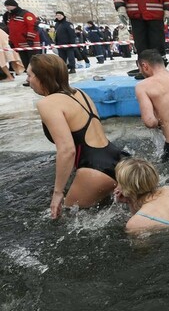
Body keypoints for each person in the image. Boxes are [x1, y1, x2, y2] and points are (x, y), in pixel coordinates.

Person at [26, 54, 128, 219]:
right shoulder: (80, 93)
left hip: (94, 170)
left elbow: (67, 150)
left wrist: (58, 192)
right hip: (119, 159)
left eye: (30, 75)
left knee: (65, 219)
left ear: (42, 78)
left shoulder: (47, 103)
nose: (27, 80)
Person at [114, 157, 169, 233]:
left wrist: (129, 199)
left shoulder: (134, 224)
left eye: (119, 181)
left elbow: (143, 244)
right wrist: (129, 201)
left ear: (126, 188)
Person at [2, 0, 41, 70]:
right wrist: (11, 41)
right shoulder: (10, 16)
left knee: (34, 63)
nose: (6, 8)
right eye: (6, 6)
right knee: (26, 63)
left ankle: (39, 78)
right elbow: (11, 30)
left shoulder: (26, 14)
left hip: (30, 43)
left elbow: (32, 27)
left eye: (8, 6)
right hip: (20, 44)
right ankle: (30, 78)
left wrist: (30, 39)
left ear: (14, 5)